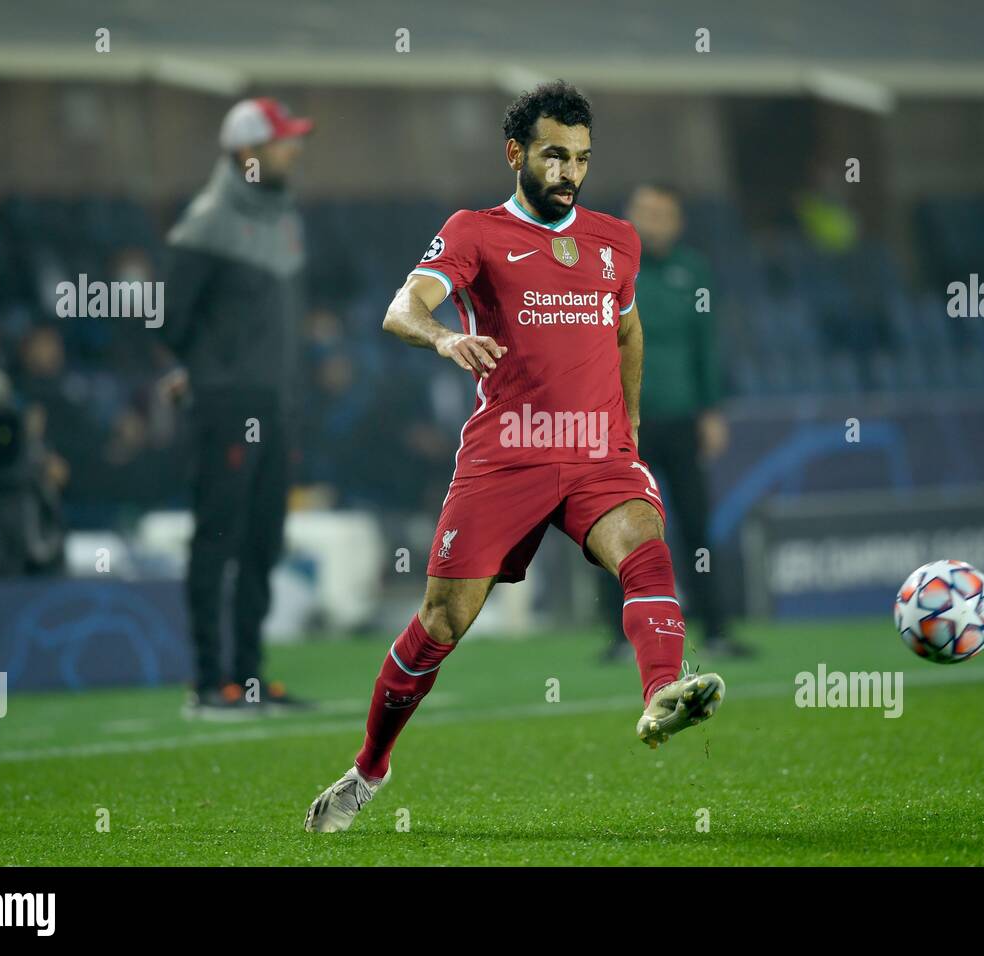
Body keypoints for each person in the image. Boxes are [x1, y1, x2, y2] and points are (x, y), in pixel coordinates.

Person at [305, 81, 725, 834]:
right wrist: (444, 337)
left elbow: (627, 333)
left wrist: (625, 423)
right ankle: (371, 767)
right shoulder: (475, 232)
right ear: (516, 153)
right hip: (508, 455)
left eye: (583, 159)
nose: (569, 172)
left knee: (645, 546)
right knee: (441, 621)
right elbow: (402, 307)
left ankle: (664, 690)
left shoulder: (616, 241)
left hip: (597, 455)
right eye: (555, 155)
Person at [158, 97, 313, 719]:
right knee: (217, 538)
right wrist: (206, 370)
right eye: (282, 142)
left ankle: (248, 678)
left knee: (262, 541)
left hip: (274, 402)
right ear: (247, 154)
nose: (292, 151)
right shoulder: (206, 222)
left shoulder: (283, 216)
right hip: (226, 403)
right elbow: (170, 320)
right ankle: (206, 682)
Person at [598, 184, 753, 661]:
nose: (654, 222)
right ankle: (621, 637)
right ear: (629, 217)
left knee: (695, 527)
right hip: (623, 422)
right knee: (615, 527)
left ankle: (717, 630)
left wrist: (711, 411)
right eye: (645, 213)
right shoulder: (606, 269)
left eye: (663, 214)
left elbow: (706, 346)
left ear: (678, 223)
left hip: (684, 418)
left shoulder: (694, 271)